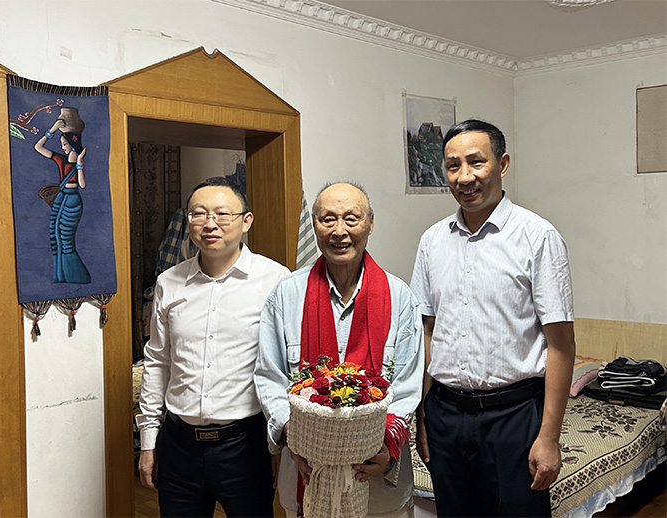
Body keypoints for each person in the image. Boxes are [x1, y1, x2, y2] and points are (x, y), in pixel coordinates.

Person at [410, 119, 576, 517]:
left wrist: (549, 437)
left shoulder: (537, 237)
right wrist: (422, 414)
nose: (464, 177)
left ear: (502, 164)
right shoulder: (432, 241)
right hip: (445, 414)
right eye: (453, 166)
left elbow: (561, 345)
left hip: (513, 417)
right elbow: (427, 331)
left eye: (476, 162)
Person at [255, 182, 424, 517]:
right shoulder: (287, 295)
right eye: (327, 219)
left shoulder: (399, 297)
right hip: (307, 470)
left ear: (370, 224)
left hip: (379, 479)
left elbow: (407, 383)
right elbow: (270, 376)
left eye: (352, 218)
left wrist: (385, 445)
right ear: (315, 225)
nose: (339, 231)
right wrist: (294, 435)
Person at [136, 176, 289, 517]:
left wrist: (279, 444)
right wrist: (148, 441)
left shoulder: (275, 280)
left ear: (246, 221)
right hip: (178, 444)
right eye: (198, 214)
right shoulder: (168, 283)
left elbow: (286, 366)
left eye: (222, 214)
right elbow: (157, 361)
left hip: (245, 444)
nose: (209, 224)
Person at [34, 109, 90, 283]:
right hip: (61, 197)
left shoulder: (78, 160)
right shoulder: (60, 159)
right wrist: (53, 129)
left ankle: (77, 277)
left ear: (72, 143)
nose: (62, 147)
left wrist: (79, 164)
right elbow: (38, 147)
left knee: (66, 239)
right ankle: (60, 276)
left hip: (72, 199)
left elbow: (82, 185)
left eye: (64, 143)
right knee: (54, 236)